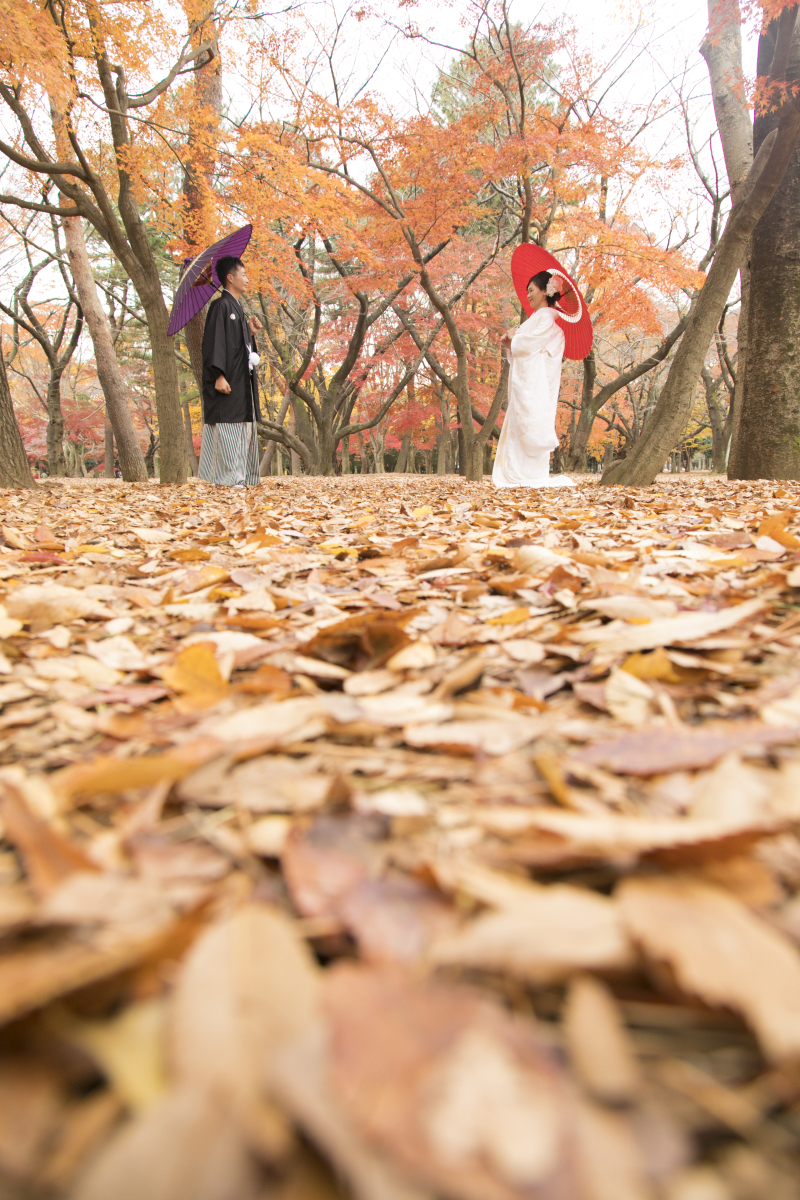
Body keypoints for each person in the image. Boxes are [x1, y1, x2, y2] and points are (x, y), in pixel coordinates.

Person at [492, 269, 576, 489]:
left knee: (532, 425)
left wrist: (515, 338)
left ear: (544, 292)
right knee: (521, 426)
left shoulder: (547, 319)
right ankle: (521, 472)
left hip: (534, 386)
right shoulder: (537, 319)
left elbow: (529, 346)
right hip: (528, 384)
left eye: (531, 290)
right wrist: (512, 344)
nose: (528, 295)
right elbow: (524, 347)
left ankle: (527, 474)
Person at [199, 255, 263, 487]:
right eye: (243, 274)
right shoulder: (220, 305)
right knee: (227, 430)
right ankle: (227, 480)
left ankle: (241, 477)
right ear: (230, 277)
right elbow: (214, 343)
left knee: (242, 429)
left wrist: (249, 331)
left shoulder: (237, 308)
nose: (246, 279)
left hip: (240, 382)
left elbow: (236, 345)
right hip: (226, 382)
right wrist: (218, 375)